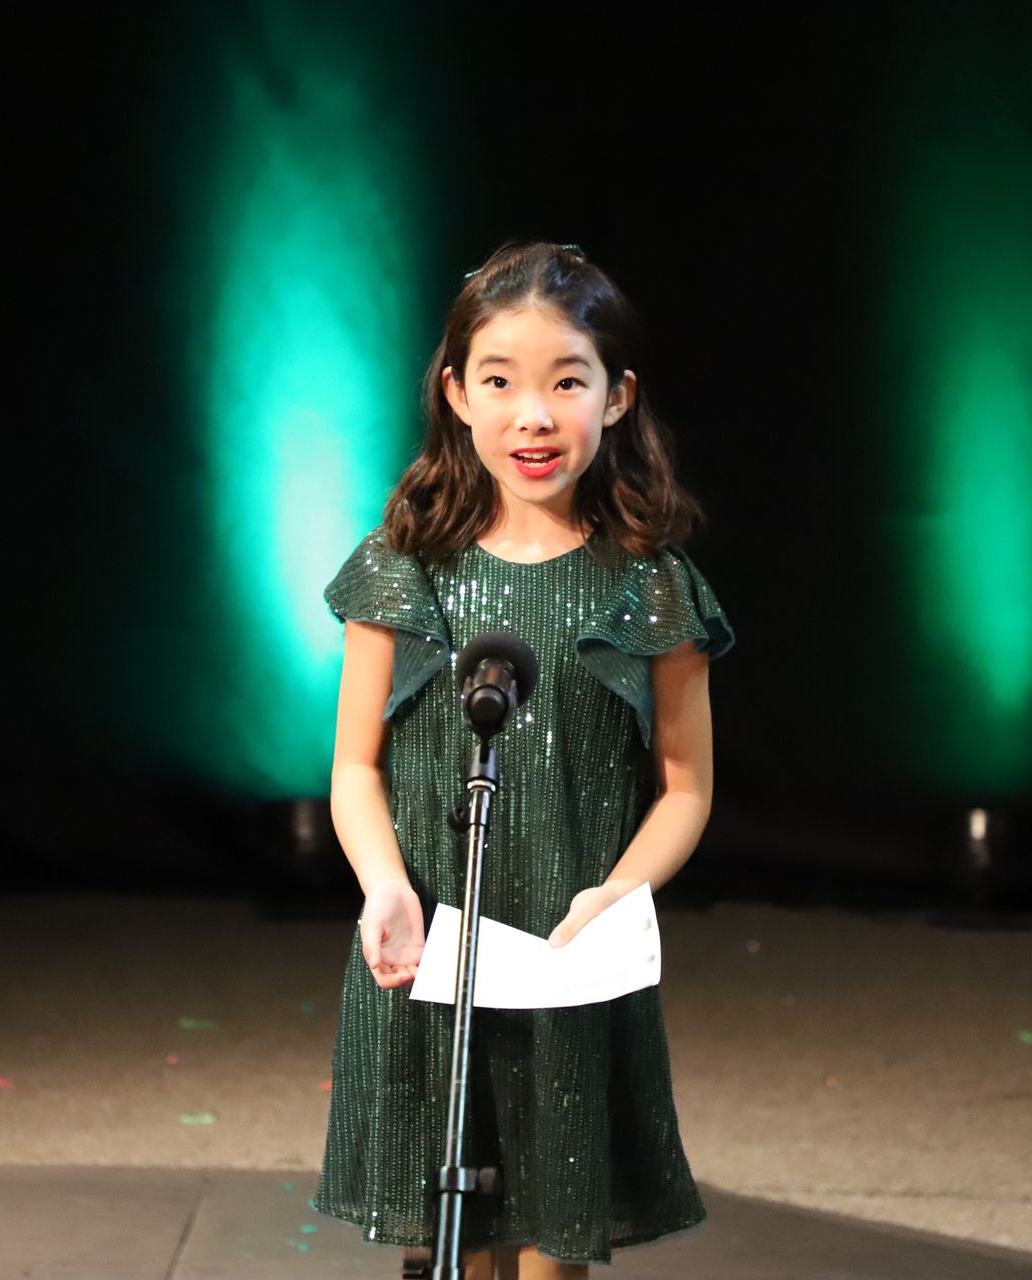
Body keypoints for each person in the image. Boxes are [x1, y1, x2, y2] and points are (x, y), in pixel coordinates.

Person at [311, 240, 733, 1278]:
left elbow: (687, 786)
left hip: (563, 953)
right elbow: (356, 765)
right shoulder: (407, 567)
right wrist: (383, 888)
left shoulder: (649, 581)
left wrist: (619, 889)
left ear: (618, 395)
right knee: (444, 1234)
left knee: (551, 1248)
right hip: (430, 948)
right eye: (499, 382)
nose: (533, 416)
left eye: (566, 382)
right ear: (456, 393)